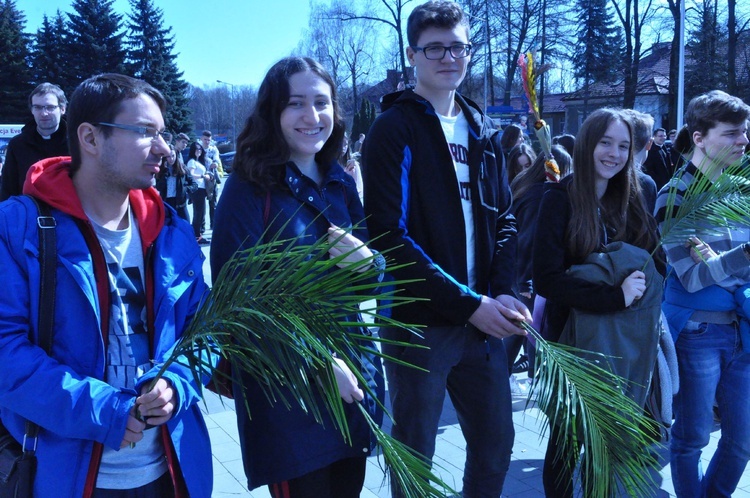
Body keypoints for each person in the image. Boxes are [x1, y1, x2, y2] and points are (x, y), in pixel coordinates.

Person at [0, 73, 213, 497]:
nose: (164, 149)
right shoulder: (19, 227)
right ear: (91, 138)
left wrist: (178, 383)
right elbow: (6, 353)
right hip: (67, 478)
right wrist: (107, 410)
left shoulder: (172, 232)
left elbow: (206, 331)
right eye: (145, 132)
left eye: (163, 133)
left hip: (172, 473)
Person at [362, 2, 531, 496]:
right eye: (434, 48)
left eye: (458, 46)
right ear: (412, 54)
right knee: (415, 457)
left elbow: (505, 218)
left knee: (496, 446)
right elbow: (388, 236)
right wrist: (469, 304)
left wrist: (501, 291)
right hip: (419, 322)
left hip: (482, 320)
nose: (448, 57)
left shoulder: (481, 128)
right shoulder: (394, 128)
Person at [210, 56, 386, 498]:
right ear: (273, 112)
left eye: (322, 103)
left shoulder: (339, 182)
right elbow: (241, 305)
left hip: (351, 381)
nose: (312, 117)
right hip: (291, 395)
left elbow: (368, 279)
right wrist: (319, 363)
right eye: (296, 104)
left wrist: (370, 266)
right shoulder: (248, 188)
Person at [533, 108, 661, 497]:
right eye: (605, 142)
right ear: (588, 143)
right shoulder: (559, 197)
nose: (614, 153)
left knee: (607, 446)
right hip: (572, 344)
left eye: (624, 145)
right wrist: (613, 296)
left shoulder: (639, 195)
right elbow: (546, 279)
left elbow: (654, 260)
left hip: (624, 343)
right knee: (566, 445)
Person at [654, 90, 750, 498]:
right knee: (691, 439)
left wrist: (722, 263)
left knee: (742, 442)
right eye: (732, 133)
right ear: (699, 137)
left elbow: (713, 270)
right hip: (697, 334)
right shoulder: (673, 196)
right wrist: (741, 257)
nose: (744, 142)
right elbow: (692, 279)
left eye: (745, 132)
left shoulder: (740, 189)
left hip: (742, 332)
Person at [507, 145, 572, 388]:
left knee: (522, 327)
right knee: (533, 328)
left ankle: (504, 376)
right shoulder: (540, 195)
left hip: (520, 272)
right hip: (527, 275)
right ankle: (535, 377)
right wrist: (527, 281)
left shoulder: (526, 188)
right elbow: (529, 241)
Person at [1, 82, 69, 201]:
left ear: (62, 109)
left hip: (70, 213)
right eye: (37, 107)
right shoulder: (18, 145)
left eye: (50, 107)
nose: (44, 113)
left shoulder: (77, 143)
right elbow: (8, 188)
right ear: (32, 110)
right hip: (29, 214)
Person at [155, 143, 191, 221]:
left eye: (173, 156)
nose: (171, 159)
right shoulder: (161, 170)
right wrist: (165, 174)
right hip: (166, 202)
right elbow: (158, 187)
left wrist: (185, 190)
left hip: (180, 203)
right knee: (168, 226)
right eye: (168, 156)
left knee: (186, 225)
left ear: (176, 156)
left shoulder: (182, 168)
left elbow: (194, 184)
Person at [186, 141, 210, 244]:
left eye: (200, 149)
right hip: (196, 189)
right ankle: (196, 236)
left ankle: (197, 234)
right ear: (193, 150)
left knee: (201, 213)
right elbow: (191, 174)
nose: (199, 151)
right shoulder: (192, 161)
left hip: (201, 189)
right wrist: (203, 176)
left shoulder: (198, 161)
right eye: (196, 149)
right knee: (198, 213)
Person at [200, 130, 222, 231]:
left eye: (209, 140)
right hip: (201, 180)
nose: (207, 142)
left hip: (212, 180)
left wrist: (216, 163)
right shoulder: (198, 149)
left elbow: (217, 159)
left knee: (213, 203)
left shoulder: (213, 149)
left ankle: (213, 225)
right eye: (205, 139)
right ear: (201, 139)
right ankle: (202, 226)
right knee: (201, 205)